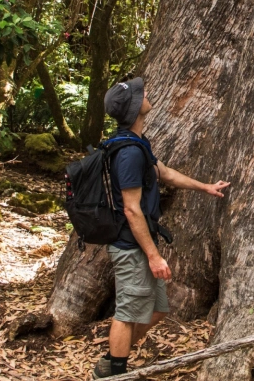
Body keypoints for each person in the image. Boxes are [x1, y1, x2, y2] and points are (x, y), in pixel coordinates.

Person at [92, 76, 230, 378]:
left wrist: (204, 187)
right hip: (131, 246)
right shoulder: (128, 153)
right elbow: (131, 208)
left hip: (139, 244)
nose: (147, 95)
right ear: (133, 108)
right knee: (127, 314)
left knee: (157, 310)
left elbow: (163, 172)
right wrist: (154, 256)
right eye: (141, 94)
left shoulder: (136, 145)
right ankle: (113, 372)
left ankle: (113, 359)